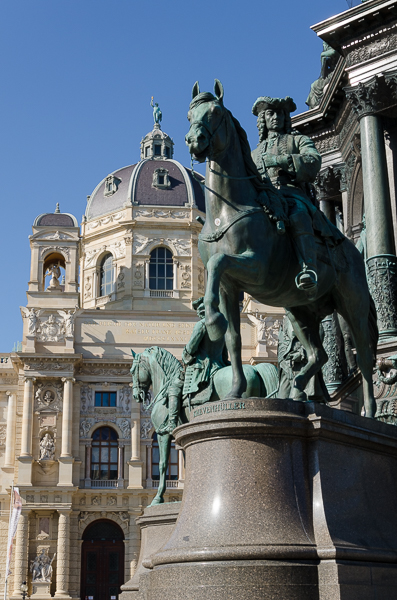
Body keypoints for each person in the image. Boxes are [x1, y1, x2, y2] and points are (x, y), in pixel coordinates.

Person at [251, 95, 344, 296]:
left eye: (279, 113)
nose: (275, 117)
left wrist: (280, 160)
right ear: (263, 120)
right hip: (263, 198)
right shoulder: (254, 153)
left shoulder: (298, 140)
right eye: (270, 113)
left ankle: (307, 267)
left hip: (290, 193)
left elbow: (313, 160)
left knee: (297, 213)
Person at [182, 297, 229, 408]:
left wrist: (185, 355)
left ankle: (172, 421)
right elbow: (225, 354)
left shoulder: (201, 324)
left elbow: (191, 348)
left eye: (198, 310)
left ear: (201, 311)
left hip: (203, 368)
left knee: (175, 387)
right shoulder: (221, 327)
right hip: (220, 366)